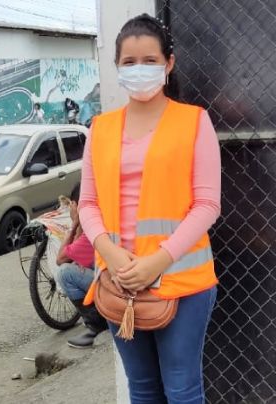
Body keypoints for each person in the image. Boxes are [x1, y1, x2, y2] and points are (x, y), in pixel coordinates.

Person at [79, 14, 221, 403]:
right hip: (118, 280)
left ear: (168, 64)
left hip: (182, 281)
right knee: (141, 389)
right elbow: (88, 203)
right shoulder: (101, 129)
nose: (139, 70)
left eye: (149, 61)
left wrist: (157, 261)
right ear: (117, 67)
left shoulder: (194, 122)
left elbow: (207, 205)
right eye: (129, 62)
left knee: (183, 389)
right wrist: (108, 253)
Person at [55, 191, 107, 349]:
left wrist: (75, 224)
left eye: (72, 205)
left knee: (65, 273)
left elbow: (61, 259)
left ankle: (96, 326)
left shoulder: (90, 232)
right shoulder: (99, 220)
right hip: (115, 277)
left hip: (113, 284)